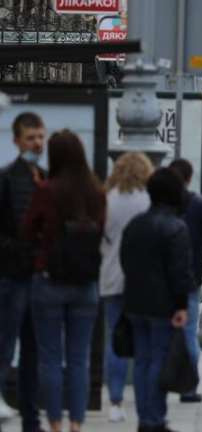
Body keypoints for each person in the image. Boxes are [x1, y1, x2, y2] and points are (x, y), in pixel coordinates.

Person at [23, 130, 107, 432]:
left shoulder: (47, 190)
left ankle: (55, 423)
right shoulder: (97, 193)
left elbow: (27, 230)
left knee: (49, 358)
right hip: (85, 285)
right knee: (78, 358)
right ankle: (77, 424)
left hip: (49, 282)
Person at [120, 168, 196, 432]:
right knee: (158, 361)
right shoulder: (176, 227)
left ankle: (145, 417)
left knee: (141, 361)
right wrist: (181, 305)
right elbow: (179, 272)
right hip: (163, 306)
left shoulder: (135, 224)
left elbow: (125, 261)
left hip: (135, 302)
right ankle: (154, 419)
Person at [0, 112, 46, 432]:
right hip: (13, 276)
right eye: (31, 138)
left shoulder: (44, 178)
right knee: (4, 347)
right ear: (17, 141)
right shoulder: (6, 178)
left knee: (34, 351)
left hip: (39, 277)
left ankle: (31, 418)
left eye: (41, 137)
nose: (38, 143)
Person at [99, 152, 153, 423]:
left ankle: (115, 400)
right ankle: (144, 400)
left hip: (111, 276)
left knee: (114, 340)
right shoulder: (147, 200)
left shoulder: (107, 199)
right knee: (143, 340)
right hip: (141, 280)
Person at [169, 159, 202, 403]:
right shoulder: (200, 206)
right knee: (189, 333)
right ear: (190, 178)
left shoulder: (159, 204)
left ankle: (155, 384)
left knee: (160, 334)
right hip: (190, 278)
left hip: (161, 280)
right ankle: (188, 388)